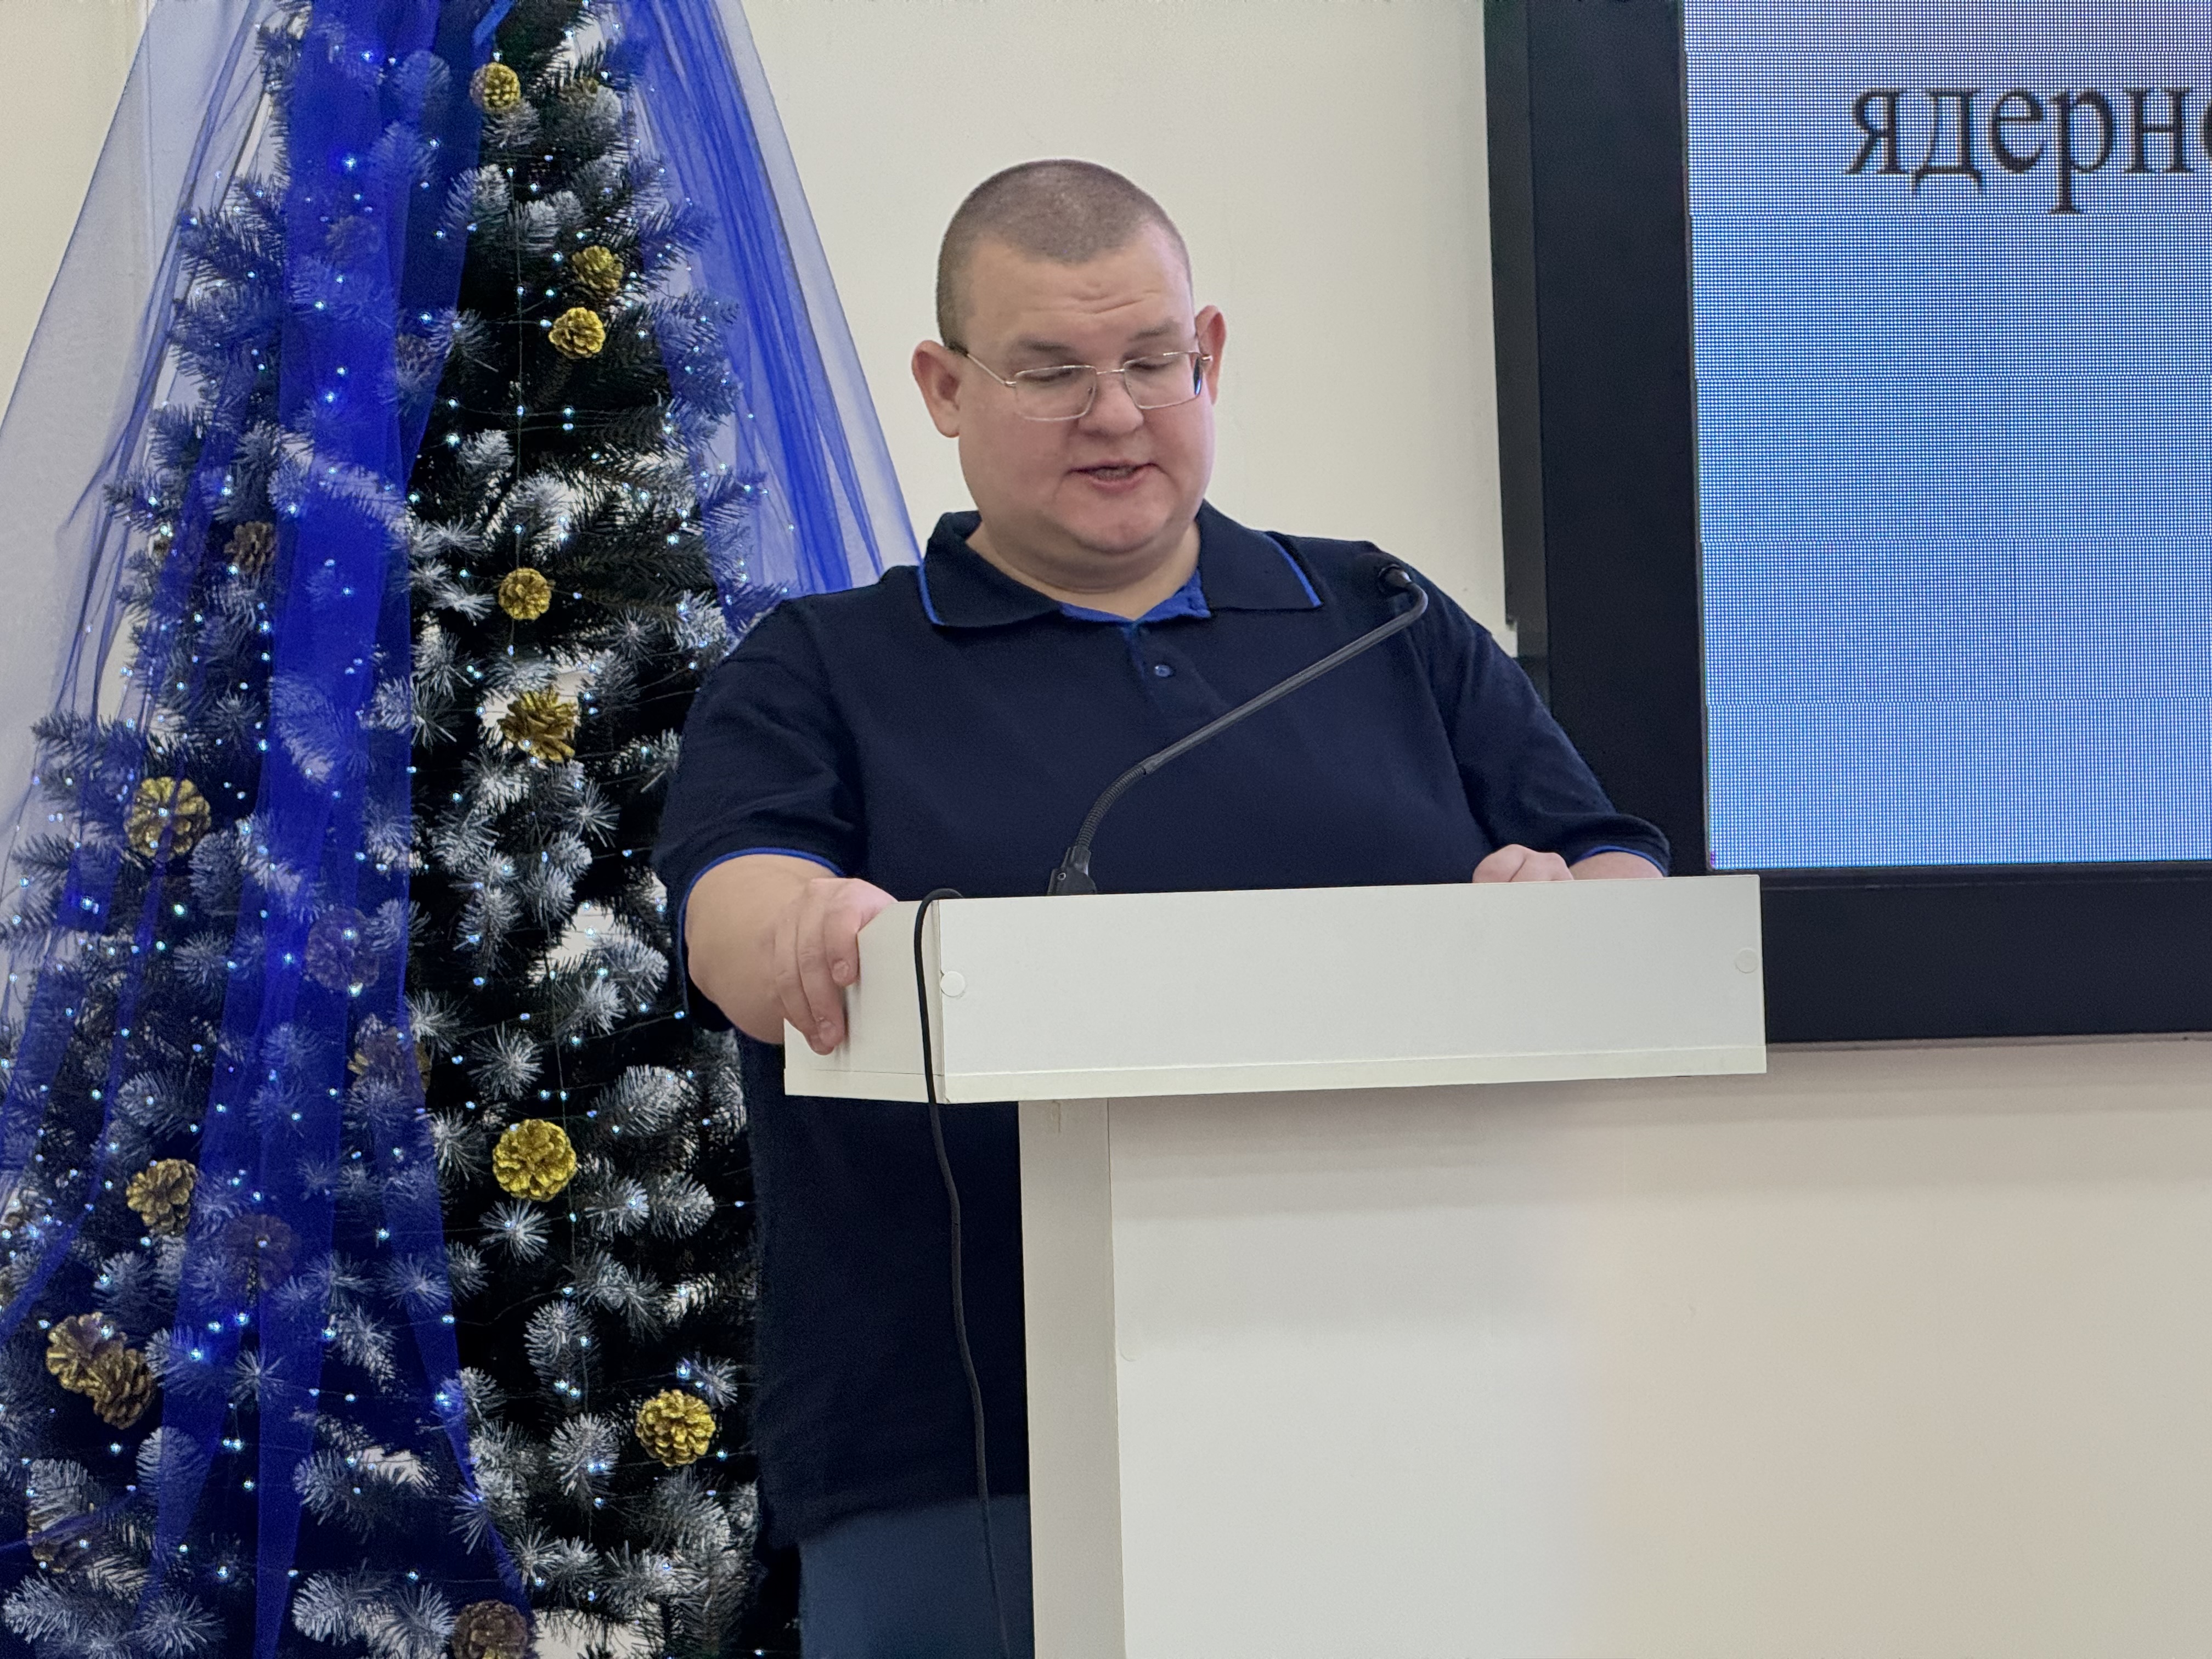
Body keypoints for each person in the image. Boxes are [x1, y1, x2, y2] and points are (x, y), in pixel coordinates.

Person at [656, 159, 1668, 1658]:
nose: (1117, 414)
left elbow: (1618, 882)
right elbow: (738, 915)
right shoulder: (821, 665)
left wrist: (1567, 905)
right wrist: (801, 922)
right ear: (944, 387)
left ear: (1211, 354)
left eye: (1152, 362)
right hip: (964, 1454)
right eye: (1051, 372)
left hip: (1416, 1407)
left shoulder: (1380, 622)